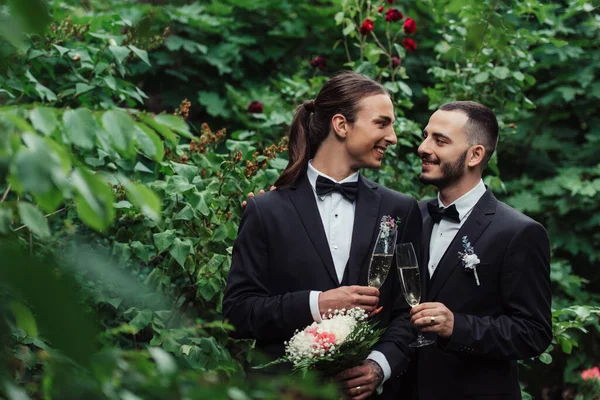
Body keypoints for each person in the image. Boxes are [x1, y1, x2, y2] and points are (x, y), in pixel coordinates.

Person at [222, 71, 422, 399]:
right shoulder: (266, 209)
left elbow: (407, 312)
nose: (393, 137)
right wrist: (318, 303)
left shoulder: (399, 210)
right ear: (341, 125)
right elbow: (238, 312)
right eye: (382, 123)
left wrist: (377, 367)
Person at [409, 101, 552, 399]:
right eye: (426, 136)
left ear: (475, 155)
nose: (423, 147)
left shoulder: (518, 232)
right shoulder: (411, 216)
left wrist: (456, 326)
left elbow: (533, 332)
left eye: (440, 140)